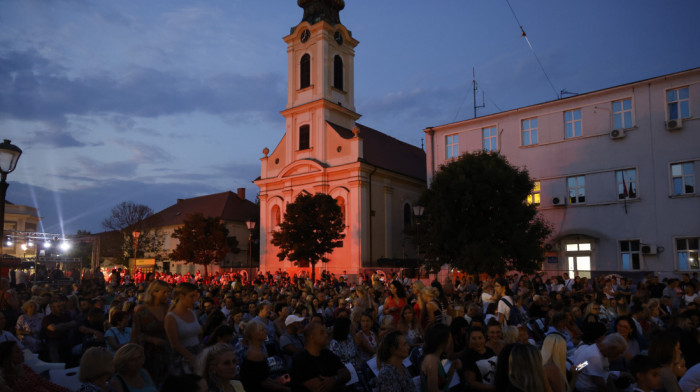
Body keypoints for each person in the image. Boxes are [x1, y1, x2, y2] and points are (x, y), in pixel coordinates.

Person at [290, 321, 351, 392]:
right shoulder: (300, 360)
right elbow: (320, 388)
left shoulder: (327, 354)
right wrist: (340, 382)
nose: (326, 335)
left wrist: (335, 379)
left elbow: (347, 374)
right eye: (322, 332)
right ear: (311, 336)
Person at [130, 279, 171, 385]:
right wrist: (152, 339)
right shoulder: (141, 310)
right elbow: (136, 334)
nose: (167, 295)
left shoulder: (168, 308)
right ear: (154, 292)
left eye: (168, 292)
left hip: (166, 351)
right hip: (148, 353)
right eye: (164, 292)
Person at [0, 340, 69, 392]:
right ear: (6, 359)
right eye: (18, 352)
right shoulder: (6, 380)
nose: (22, 352)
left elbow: (43, 382)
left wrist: (65, 390)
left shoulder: (24, 367)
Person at [165, 282, 202, 375]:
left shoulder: (192, 312)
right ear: (182, 296)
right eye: (191, 296)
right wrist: (192, 358)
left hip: (197, 353)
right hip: (182, 359)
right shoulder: (171, 317)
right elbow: (175, 343)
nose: (195, 299)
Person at [421, 323, 462, 392]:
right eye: (450, 338)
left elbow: (444, 385)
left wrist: (452, 367)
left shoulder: (435, 358)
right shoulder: (431, 361)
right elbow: (433, 390)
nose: (451, 342)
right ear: (444, 341)